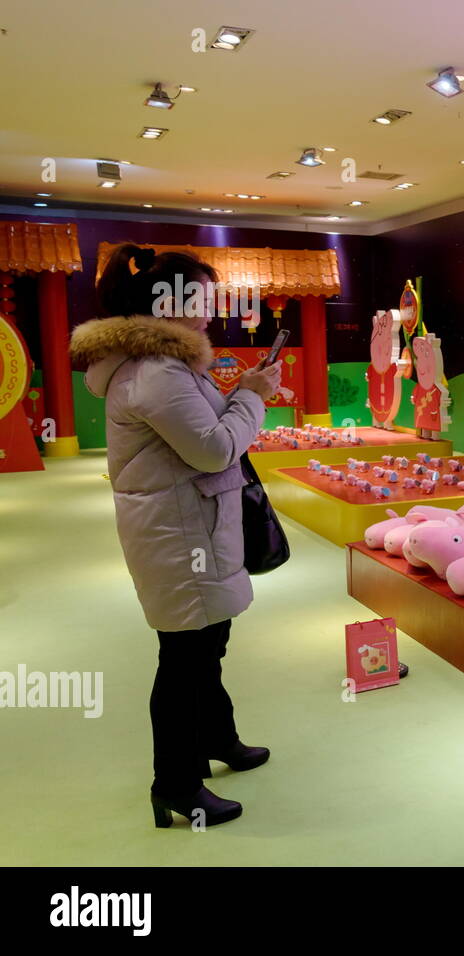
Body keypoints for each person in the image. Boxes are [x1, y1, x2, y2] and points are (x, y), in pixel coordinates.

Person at [68, 244, 282, 829]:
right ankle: (178, 787)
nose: (211, 311)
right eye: (201, 300)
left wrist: (240, 393)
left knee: (205, 647)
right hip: (182, 534)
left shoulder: (164, 368)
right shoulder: (158, 373)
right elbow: (213, 448)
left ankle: (219, 739)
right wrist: (253, 397)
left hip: (192, 528)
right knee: (185, 659)